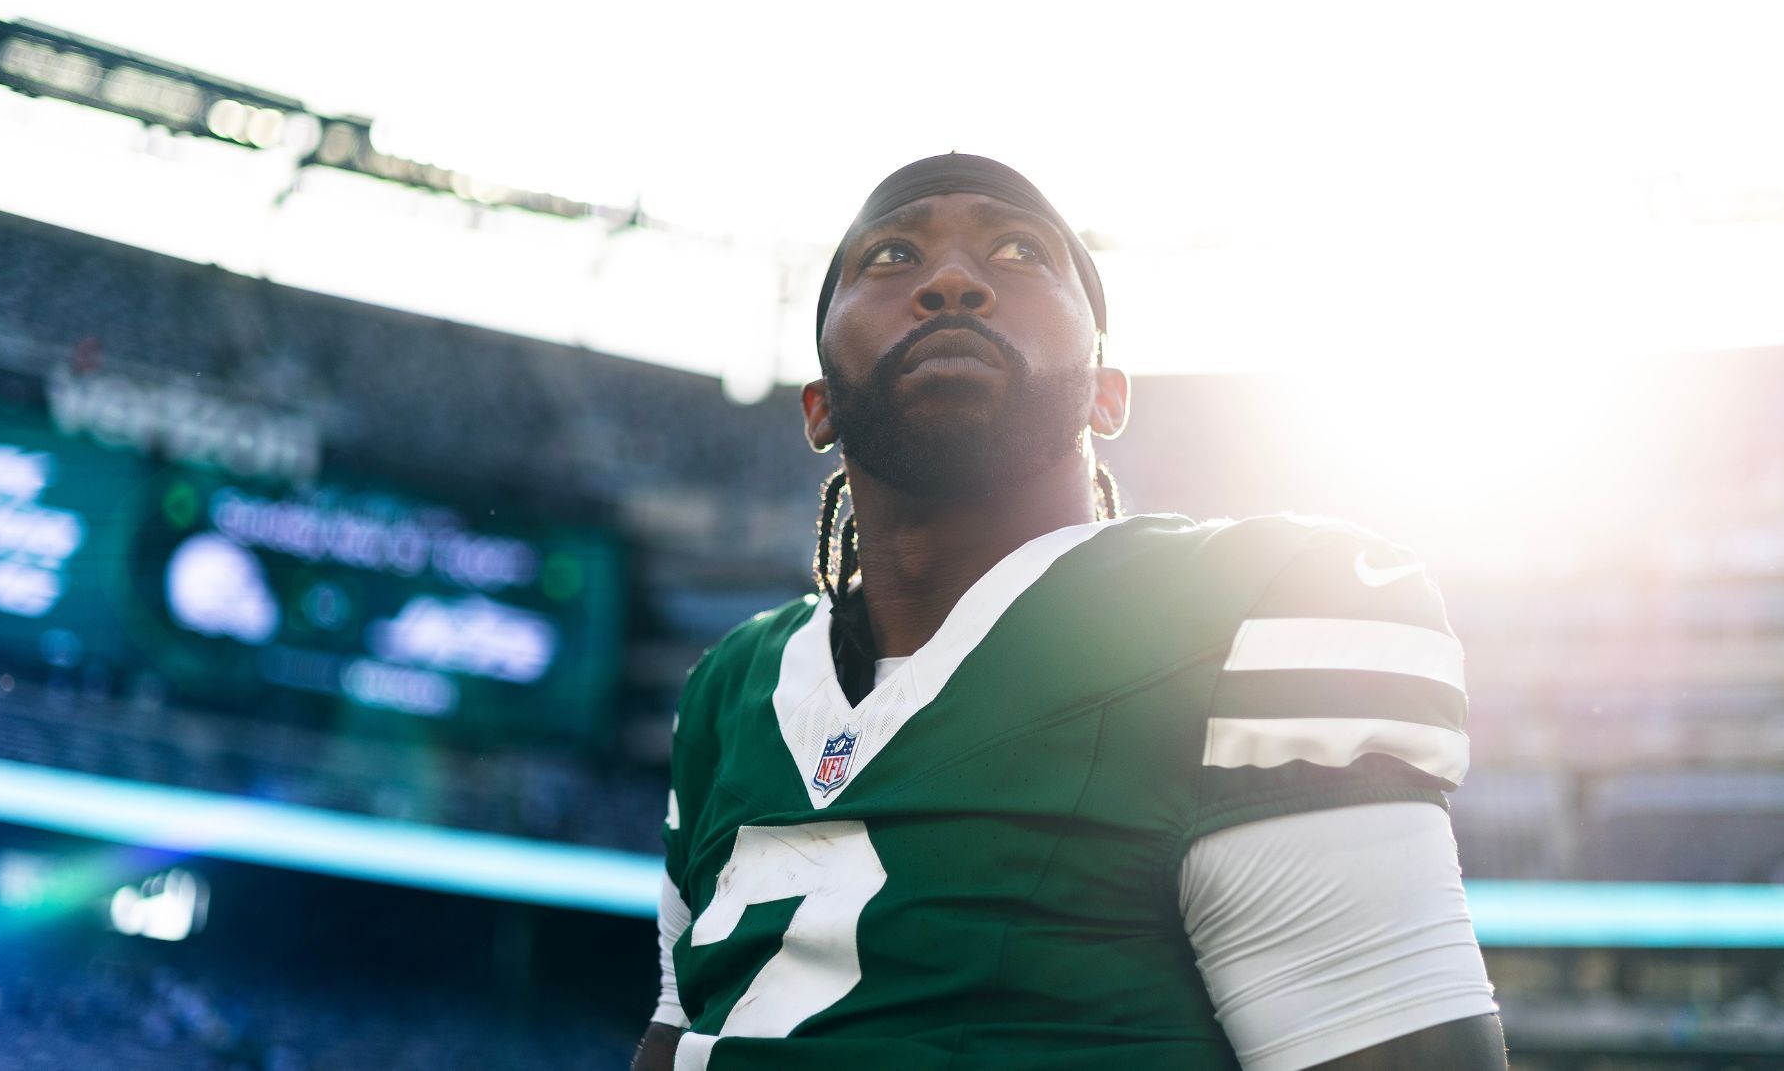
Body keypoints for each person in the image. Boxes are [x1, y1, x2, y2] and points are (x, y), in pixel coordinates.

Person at [633, 154, 1505, 1070]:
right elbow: (676, 1026)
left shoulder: (1251, 611)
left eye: (1019, 251)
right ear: (818, 409)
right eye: (891, 256)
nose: (954, 280)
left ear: (1105, 392)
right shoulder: (733, 685)